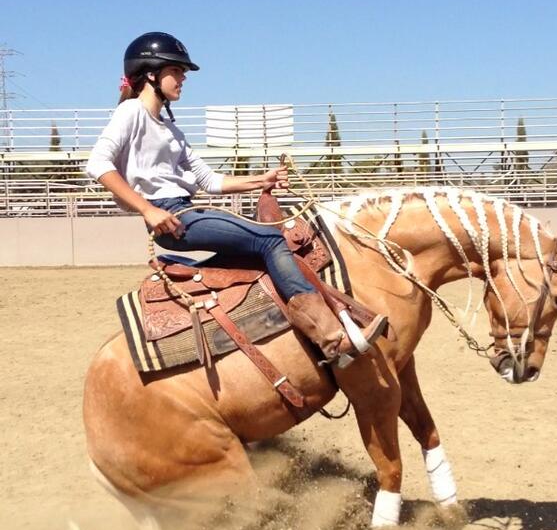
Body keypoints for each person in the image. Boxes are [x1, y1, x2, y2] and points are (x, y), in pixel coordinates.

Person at [87, 32, 386, 364]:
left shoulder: (172, 130)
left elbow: (209, 180)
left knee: (262, 246)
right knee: (270, 240)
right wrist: (147, 209)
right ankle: (329, 337)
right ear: (151, 73)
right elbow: (98, 163)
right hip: (173, 216)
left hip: (187, 210)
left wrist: (262, 179)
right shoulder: (131, 112)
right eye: (177, 69)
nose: (184, 77)